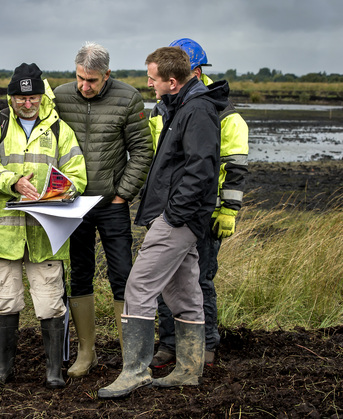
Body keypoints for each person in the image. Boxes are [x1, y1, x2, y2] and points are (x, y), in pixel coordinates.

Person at [98, 46, 229, 398]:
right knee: (183, 293)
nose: (148, 84)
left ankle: (135, 371)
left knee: (138, 286)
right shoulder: (181, 106)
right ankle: (188, 370)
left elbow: (201, 170)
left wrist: (173, 215)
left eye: (152, 79)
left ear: (172, 81)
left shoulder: (197, 110)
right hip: (179, 217)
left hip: (178, 219)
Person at [0, 63, 87, 389]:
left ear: (42, 96)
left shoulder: (60, 131)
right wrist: (14, 183)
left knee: (51, 301)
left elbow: (77, 175)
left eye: (33, 96)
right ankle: (4, 369)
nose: (28, 103)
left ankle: (54, 371)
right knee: (5, 300)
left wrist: (60, 191)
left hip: (45, 235)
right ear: (11, 97)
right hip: (4, 233)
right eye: (21, 97)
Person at [53, 42, 152, 378]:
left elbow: (141, 150)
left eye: (92, 80)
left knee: (123, 275)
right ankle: (86, 353)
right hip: (73, 204)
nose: (85, 86)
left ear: (107, 75)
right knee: (79, 273)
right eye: (80, 78)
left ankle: (131, 356)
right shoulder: (60, 96)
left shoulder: (129, 98)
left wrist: (123, 194)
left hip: (111, 204)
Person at [150, 38, 249, 369]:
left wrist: (228, 210)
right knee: (166, 280)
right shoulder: (163, 107)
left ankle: (205, 347)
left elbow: (234, 166)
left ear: (193, 70)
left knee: (199, 280)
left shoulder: (221, 112)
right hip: (169, 210)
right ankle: (169, 344)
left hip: (204, 211)